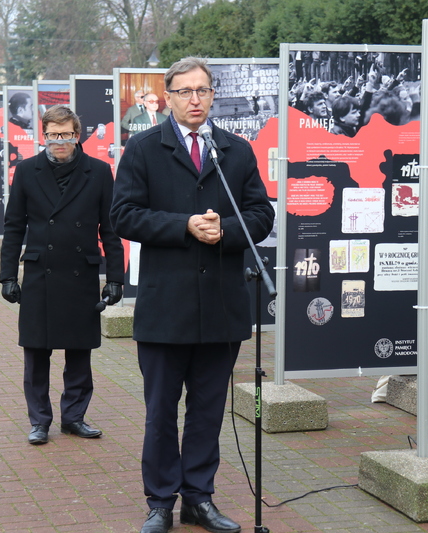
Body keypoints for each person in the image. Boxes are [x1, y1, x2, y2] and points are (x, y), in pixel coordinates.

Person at [110, 57, 274, 533]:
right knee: (161, 412)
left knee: (206, 412)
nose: (195, 99)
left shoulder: (235, 152)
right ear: (169, 97)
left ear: (212, 94)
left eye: (202, 90)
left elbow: (262, 215)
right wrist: (183, 226)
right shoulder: (143, 149)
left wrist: (225, 229)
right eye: (184, 91)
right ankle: (160, 502)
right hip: (166, 307)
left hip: (221, 308)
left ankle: (198, 499)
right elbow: (124, 215)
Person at [0, 105, 125, 446]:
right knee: (36, 353)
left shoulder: (98, 172)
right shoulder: (27, 171)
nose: (59, 141)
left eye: (66, 134)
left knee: (79, 352)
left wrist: (116, 278)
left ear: (76, 135)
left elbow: (110, 229)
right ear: (44, 135)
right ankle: (39, 421)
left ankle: (74, 417)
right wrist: (7, 275)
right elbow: (14, 227)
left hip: (80, 272)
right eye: (53, 135)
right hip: (40, 273)